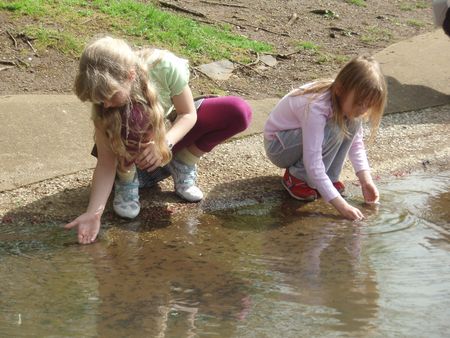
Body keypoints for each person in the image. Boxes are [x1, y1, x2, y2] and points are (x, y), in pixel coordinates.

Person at [65, 36, 252, 244]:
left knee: (238, 111)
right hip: (131, 155)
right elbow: (106, 162)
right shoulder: (105, 105)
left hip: (165, 141)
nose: (106, 105)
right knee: (131, 114)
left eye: (110, 96)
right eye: (100, 100)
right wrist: (94, 213)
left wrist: (164, 144)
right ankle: (127, 181)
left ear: (130, 75)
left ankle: (182, 162)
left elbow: (188, 114)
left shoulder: (165, 67)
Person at [263, 55, 387, 221]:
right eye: (359, 103)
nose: (363, 110)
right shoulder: (316, 106)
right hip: (278, 146)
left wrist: (366, 181)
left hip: (296, 142)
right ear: (340, 90)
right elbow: (312, 160)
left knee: (352, 124)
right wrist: (341, 205)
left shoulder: (345, 103)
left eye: (368, 105)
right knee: (334, 130)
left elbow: (356, 145)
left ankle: (329, 178)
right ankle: (297, 177)